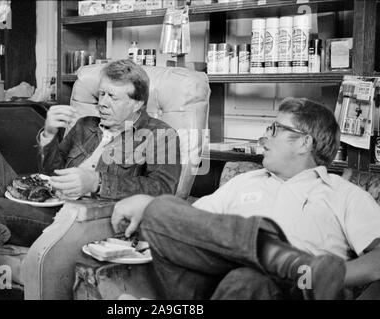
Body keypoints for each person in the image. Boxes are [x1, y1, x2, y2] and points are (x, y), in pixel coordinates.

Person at [111, 97, 380, 300]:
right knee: (159, 210)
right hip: (215, 281)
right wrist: (149, 208)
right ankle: (283, 260)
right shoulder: (245, 181)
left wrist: (321, 276)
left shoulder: (343, 194)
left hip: (297, 290)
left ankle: (292, 266)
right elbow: (191, 228)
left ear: (304, 143)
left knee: (249, 279)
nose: (263, 138)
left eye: (275, 129)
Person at [0, 59, 181, 250]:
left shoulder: (161, 135)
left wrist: (97, 182)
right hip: (46, 199)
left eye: (113, 97)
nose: (102, 103)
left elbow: (163, 190)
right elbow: (51, 174)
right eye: (101, 94)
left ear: (137, 103)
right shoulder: (86, 125)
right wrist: (50, 134)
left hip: (81, 219)